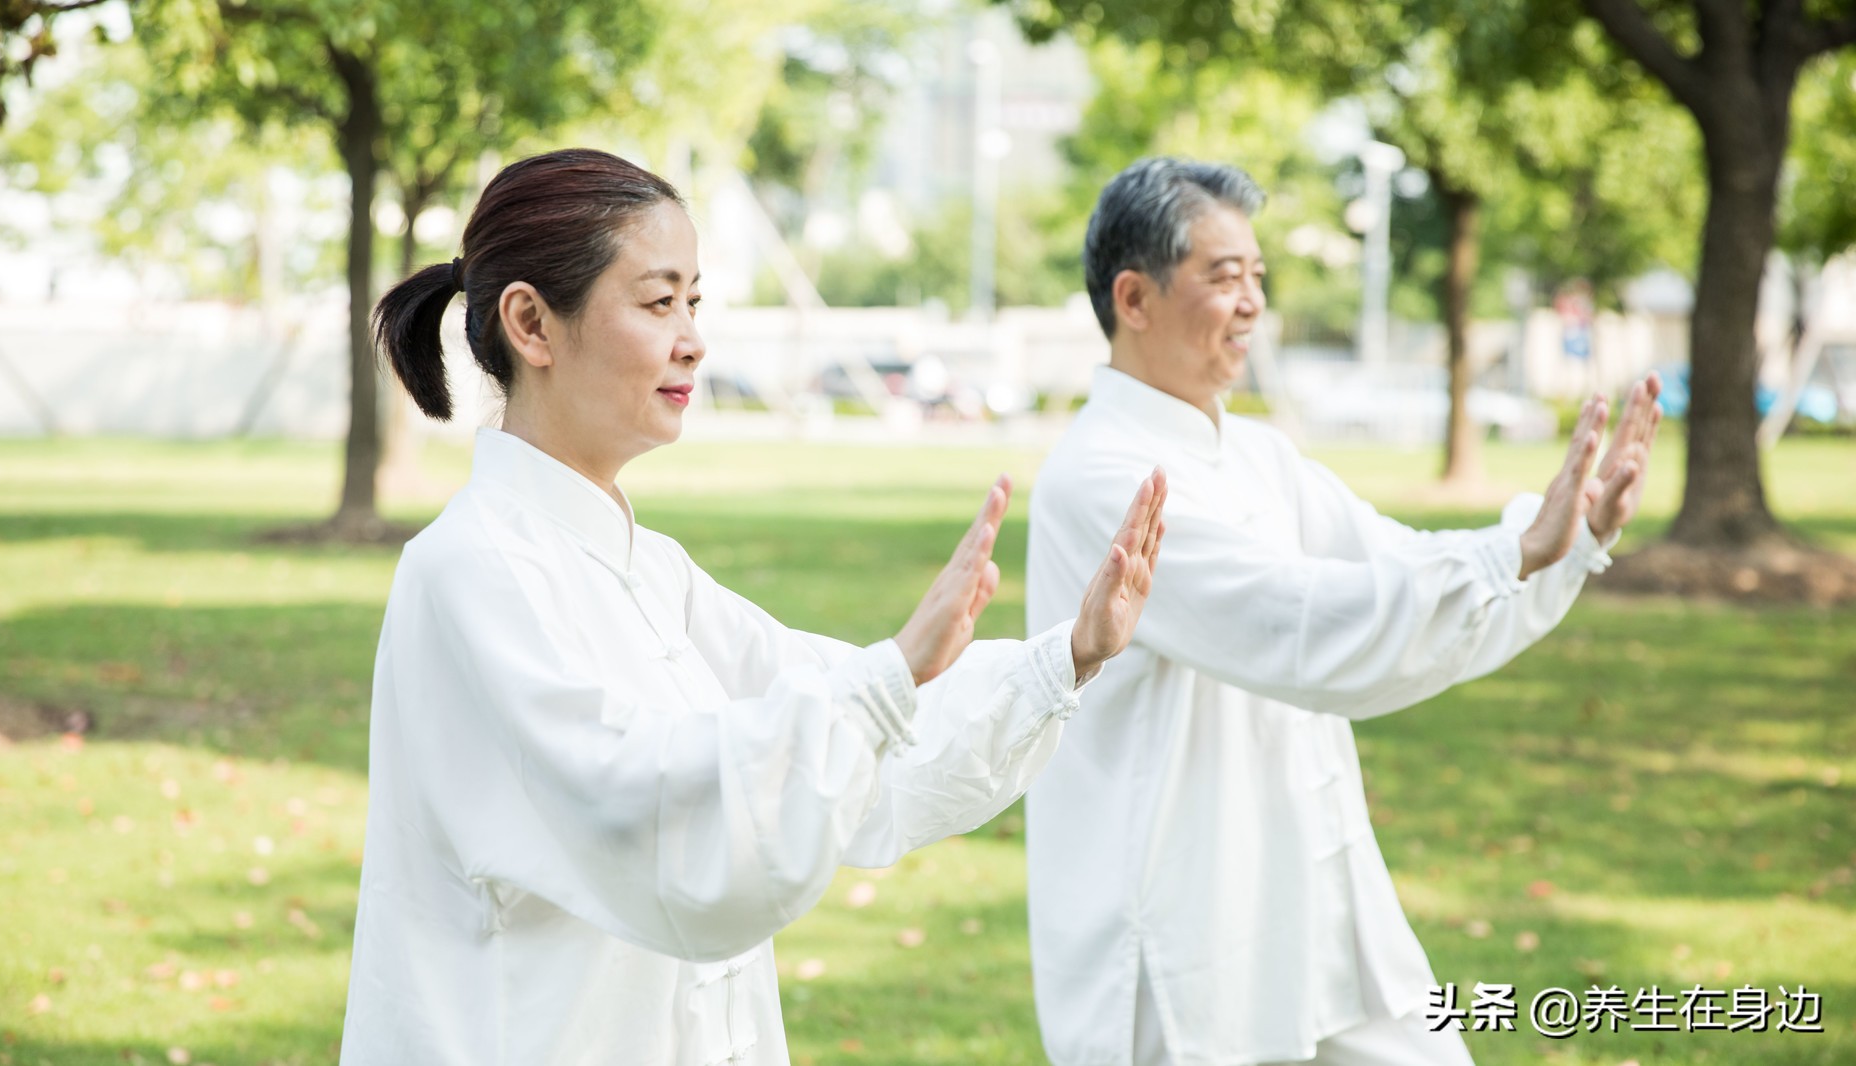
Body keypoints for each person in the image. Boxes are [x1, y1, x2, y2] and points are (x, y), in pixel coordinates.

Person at [339, 148, 1168, 1066]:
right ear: (532, 323)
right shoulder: (467, 572)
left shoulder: (650, 570)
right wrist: (890, 676)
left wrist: (1069, 656)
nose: (692, 339)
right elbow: (637, 805)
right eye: (659, 303)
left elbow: (851, 730)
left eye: (695, 303)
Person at [1024, 157, 1662, 1066]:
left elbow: (1393, 562)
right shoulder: (1102, 478)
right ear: (1134, 298)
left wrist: (1558, 542)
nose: (1252, 305)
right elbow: (1299, 625)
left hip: (1313, 887)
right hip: (1179, 924)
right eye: (1223, 277)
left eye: (1259, 278)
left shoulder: (1254, 455)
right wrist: (1514, 552)